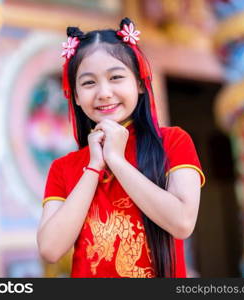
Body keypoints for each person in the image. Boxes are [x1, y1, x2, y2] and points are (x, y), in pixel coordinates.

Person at [36, 17, 205, 278]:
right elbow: (50, 249)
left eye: (116, 77)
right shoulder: (64, 168)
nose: (103, 92)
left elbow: (182, 223)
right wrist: (94, 166)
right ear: (76, 96)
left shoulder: (173, 142)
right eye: (89, 82)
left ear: (138, 83)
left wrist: (117, 160)